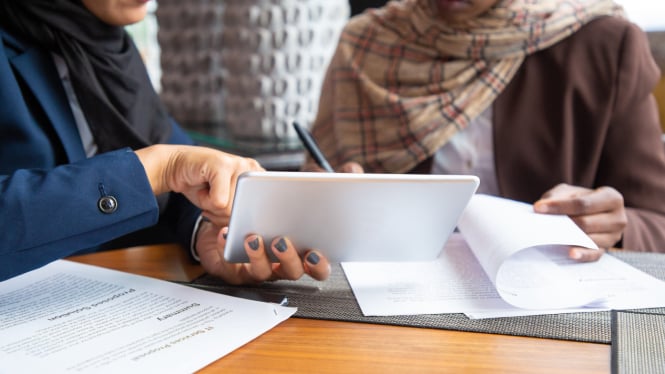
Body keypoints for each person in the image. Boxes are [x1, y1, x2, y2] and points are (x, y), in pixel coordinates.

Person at [304, 0, 665, 261]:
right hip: (382, 304)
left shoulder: (603, 45)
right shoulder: (366, 44)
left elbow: (656, 221)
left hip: (544, 314)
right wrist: (324, 197)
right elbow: (314, 193)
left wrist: (616, 227)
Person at [0, 0, 330, 283]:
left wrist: (207, 232)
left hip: (116, 300)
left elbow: (182, 181)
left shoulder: (106, 48)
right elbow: (165, 166)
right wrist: (154, 170)